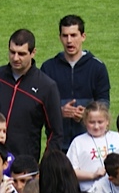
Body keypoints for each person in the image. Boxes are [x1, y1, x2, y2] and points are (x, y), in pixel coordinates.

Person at [0, 28, 65, 159]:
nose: (15, 58)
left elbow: (55, 133)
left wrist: (46, 164)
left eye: (21, 54)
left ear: (33, 53)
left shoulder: (46, 87)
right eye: (12, 52)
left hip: (23, 163)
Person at [41, 14, 111, 142]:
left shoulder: (97, 67)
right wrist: (59, 111)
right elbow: (40, 103)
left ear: (83, 36)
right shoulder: (48, 68)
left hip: (89, 141)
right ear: (60, 37)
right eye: (65, 36)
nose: (69, 40)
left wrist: (87, 114)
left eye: (73, 35)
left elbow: (104, 103)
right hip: (58, 142)